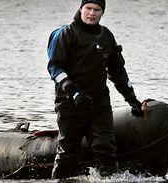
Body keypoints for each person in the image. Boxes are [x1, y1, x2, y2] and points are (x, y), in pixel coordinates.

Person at [46, 0, 144, 179]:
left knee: (106, 148)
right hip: (70, 103)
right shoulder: (65, 34)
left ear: (102, 12)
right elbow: (55, 68)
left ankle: (110, 180)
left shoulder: (106, 35)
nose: (92, 13)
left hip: (99, 103)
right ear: (81, 9)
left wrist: (131, 98)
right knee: (68, 151)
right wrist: (73, 91)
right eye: (88, 8)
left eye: (97, 9)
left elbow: (117, 71)